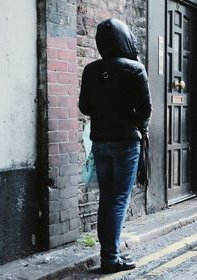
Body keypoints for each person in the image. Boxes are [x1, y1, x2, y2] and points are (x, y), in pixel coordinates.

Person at [79, 18, 152, 273]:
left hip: (100, 142)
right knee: (119, 200)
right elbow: (145, 111)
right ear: (125, 39)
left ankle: (107, 254)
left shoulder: (90, 70)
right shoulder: (135, 69)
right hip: (126, 143)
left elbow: (84, 107)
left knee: (106, 199)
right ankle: (110, 258)